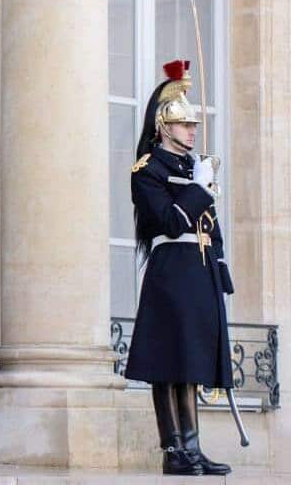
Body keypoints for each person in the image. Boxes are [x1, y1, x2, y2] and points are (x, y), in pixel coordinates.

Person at [124, 60, 232, 477]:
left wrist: (220, 270)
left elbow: (210, 228)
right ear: (164, 127)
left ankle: (193, 447)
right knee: (168, 363)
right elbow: (168, 222)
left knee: (190, 363)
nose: (191, 131)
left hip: (198, 270)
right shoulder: (147, 170)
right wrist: (200, 190)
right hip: (170, 271)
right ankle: (174, 450)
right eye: (184, 125)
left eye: (193, 125)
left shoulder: (193, 168)